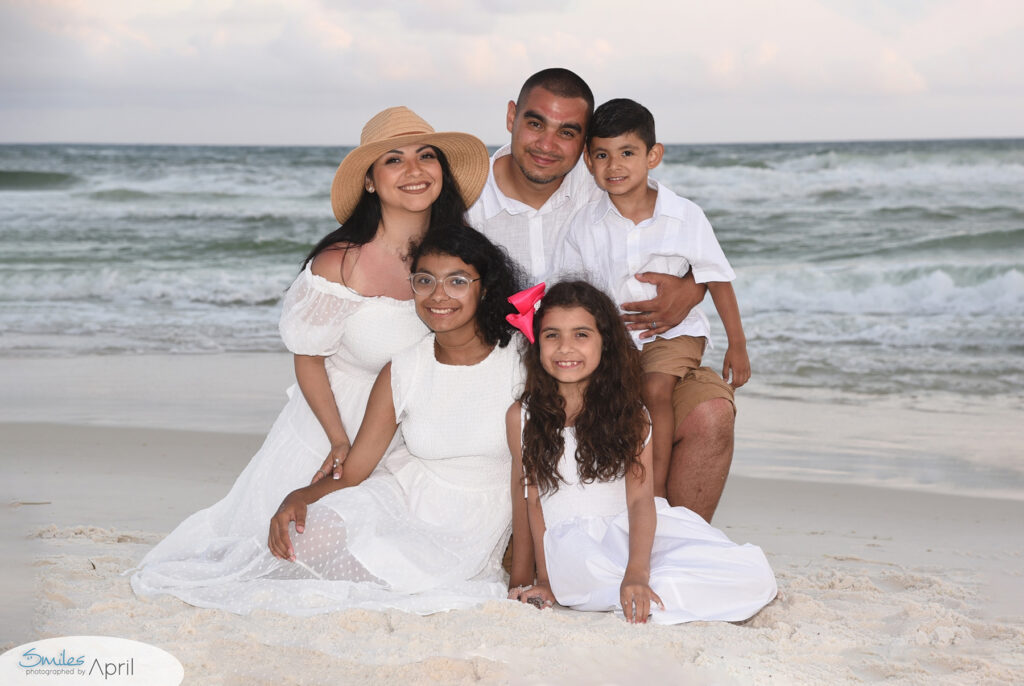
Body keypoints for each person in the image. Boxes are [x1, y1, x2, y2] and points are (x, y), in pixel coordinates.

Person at [130, 107, 494, 613]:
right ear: (370, 180)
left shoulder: (458, 257)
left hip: (416, 428)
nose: (414, 171)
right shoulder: (340, 263)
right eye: (394, 160)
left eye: (426, 156)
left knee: (406, 554)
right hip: (335, 425)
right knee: (290, 554)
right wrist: (338, 439)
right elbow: (307, 360)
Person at [469, 68, 733, 522]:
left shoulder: (603, 179)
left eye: (568, 132)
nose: (548, 144)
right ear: (512, 116)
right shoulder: (468, 198)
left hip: (619, 357)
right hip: (508, 372)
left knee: (709, 413)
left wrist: (692, 288)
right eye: (535, 123)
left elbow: (682, 236)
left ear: (584, 144)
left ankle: (674, 545)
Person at [505, 281, 775, 624]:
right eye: (552, 335)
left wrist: (637, 573)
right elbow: (530, 498)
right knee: (614, 584)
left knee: (749, 574)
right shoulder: (522, 416)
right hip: (574, 550)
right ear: (537, 342)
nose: (565, 348)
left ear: (606, 344)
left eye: (582, 335)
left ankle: (648, 581)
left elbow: (639, 501)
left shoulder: (630, 415)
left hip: (632, 535)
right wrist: (534, 580)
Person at [555, 98, 750, 504]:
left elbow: (717, 278)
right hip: (615, 343)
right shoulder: (585, 225)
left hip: (672, 333)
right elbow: (574, 291)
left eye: (627, 153)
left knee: (655, 390)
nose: (614, 165)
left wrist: (738, 344)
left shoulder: (684, 216)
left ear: (653, 156)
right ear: (589, 163)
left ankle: (655, 490)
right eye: (602, 155)